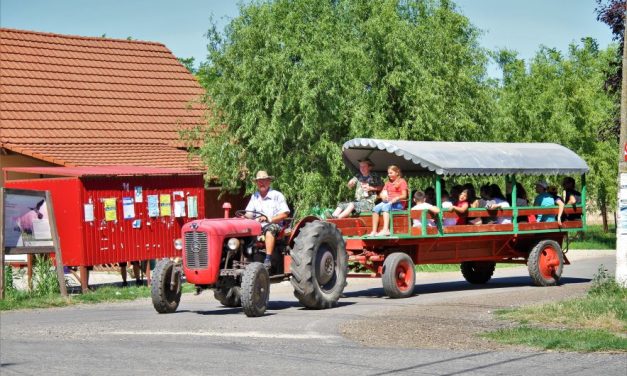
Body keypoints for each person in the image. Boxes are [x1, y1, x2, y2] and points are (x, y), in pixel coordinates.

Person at [244, 170, 291, 268]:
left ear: (269, 182)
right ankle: (245, 257)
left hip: (276, 225)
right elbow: (249, 213)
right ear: (256, 183)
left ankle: (268, 259)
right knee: (244, 230)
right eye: (259, 181)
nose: (262, 183)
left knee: (270, 229)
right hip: (257, 226)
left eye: (264, 180)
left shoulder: (277, 195)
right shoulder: (254, 196)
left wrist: (268, 219)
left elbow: (285, 214)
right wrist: (244, 216)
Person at [368, 165, 408, 237]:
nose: (389, 175)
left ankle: (386, 230)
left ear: (397, 173)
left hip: (399, 203)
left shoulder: (402, 181)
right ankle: (374, 231)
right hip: (387, 201)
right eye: (388, 173)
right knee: (375, 208)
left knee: (385, 207)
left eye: (391, 173)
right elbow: (381, 193)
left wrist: (397, 198)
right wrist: (382, 196)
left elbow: (404, 195)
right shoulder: (388, 183)